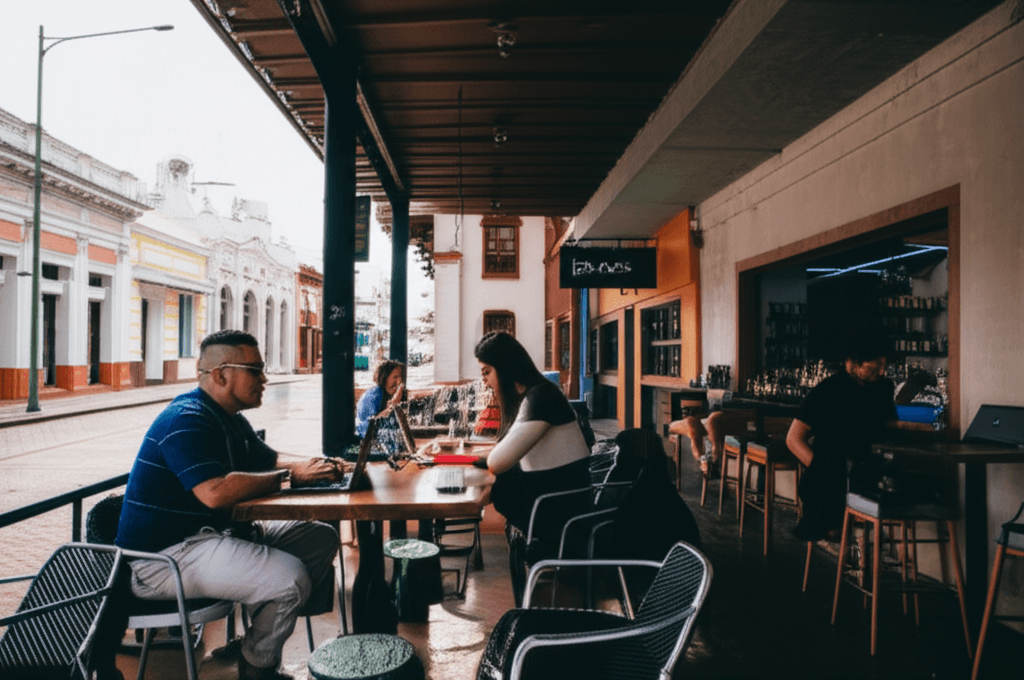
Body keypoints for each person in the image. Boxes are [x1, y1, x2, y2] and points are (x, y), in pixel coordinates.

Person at [115, 330, 346, 680]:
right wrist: (289, 477)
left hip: (210, 538)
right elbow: (215, 492)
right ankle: (257, 666)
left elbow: (268, 460)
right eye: (255, 370)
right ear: (221, 375)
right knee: (291, 580)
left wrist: (313, 465)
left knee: (320, 539)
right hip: (165, 559)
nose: (264, 379)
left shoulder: (228, 417)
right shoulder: (186, 418)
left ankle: (258, 632)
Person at [474, 331, 591, 546]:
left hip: (561, 516)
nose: (485, 381)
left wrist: (481, 464)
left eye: (487, 372)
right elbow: (505, 451)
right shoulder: (538, 394)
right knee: (495, 483)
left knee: (496, 482)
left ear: (505, 369)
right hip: (560, 504)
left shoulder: (541, 398)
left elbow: (497, 462)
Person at [786, 330, 898, 542]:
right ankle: (854, 551)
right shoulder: (828, 391)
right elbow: (793, 439)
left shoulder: (882, 388)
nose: (882, 371)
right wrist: (825, 471)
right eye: (875, 365)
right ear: (854, 362)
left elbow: (886, 424)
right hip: (838, 475)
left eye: (885, 365)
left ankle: (873, 555)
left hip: (870, 470)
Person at [355, 359, 405, 438]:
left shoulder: (385, 393)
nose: (399, 382)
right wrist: (394, 404)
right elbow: (373, 425)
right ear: (384, 377)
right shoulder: (374, 395)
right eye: (395, 377)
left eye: (400, 378)